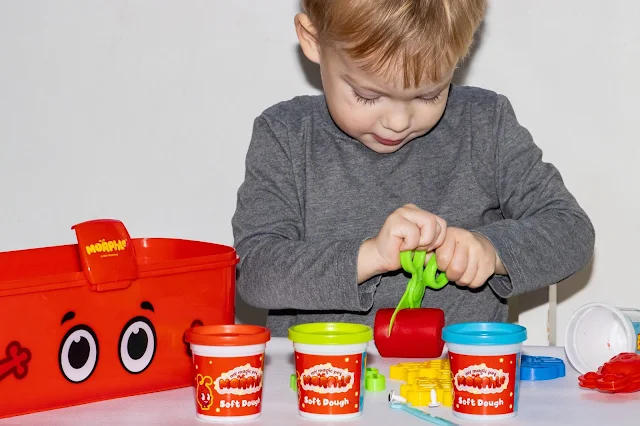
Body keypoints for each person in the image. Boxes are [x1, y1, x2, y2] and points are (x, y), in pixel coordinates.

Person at [231, 0, 595, 337]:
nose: (398, 121)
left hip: (457, 388)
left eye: (428, 94)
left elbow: (571, 232)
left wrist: (491, 250)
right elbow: (256, 271)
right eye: (368, 96)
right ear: (313, 40)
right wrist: (370, 256)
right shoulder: (285, 134)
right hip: (322, 388)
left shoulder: (486, 124)